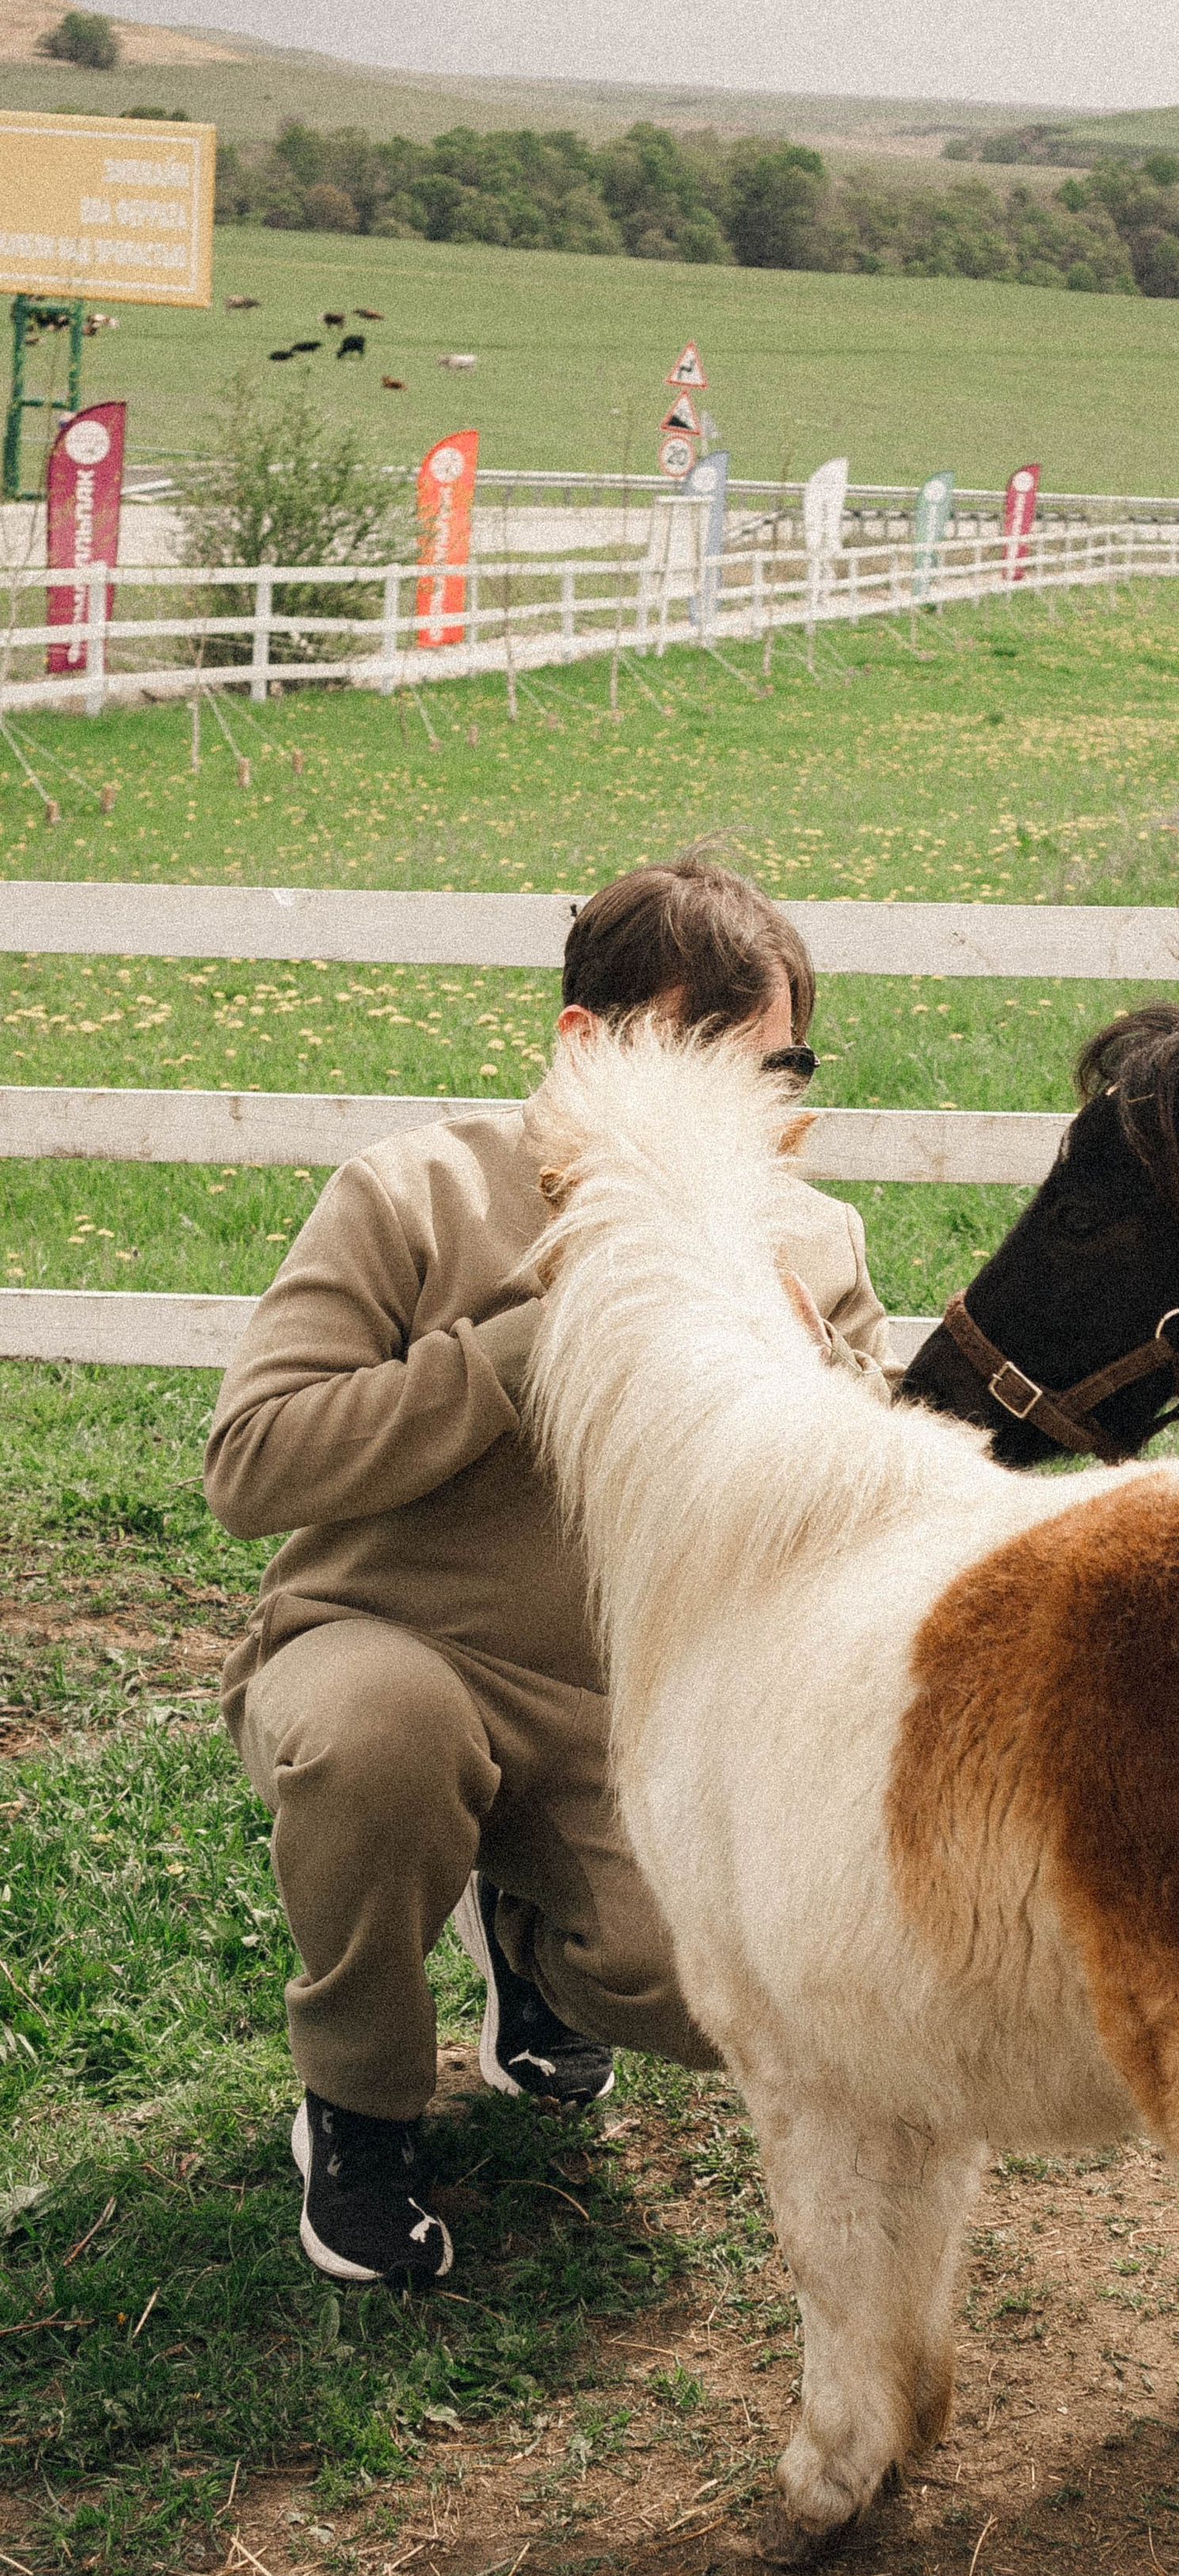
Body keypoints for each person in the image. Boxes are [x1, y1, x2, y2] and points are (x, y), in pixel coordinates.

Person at [205, 853, 892, 2286]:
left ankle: (529, 1945)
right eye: (704, 1061)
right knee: (379, 1741)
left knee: (710, 1990)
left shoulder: (813, 1242)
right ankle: (358, 2108)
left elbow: (865, 1530)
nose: (751, 1104)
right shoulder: (417, 1192)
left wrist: (804, 1365)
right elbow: (252, 1465)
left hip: (630, 1715)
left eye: (777, 1069)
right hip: (388, 1648)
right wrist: (522, 1349)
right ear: (586, 1042)